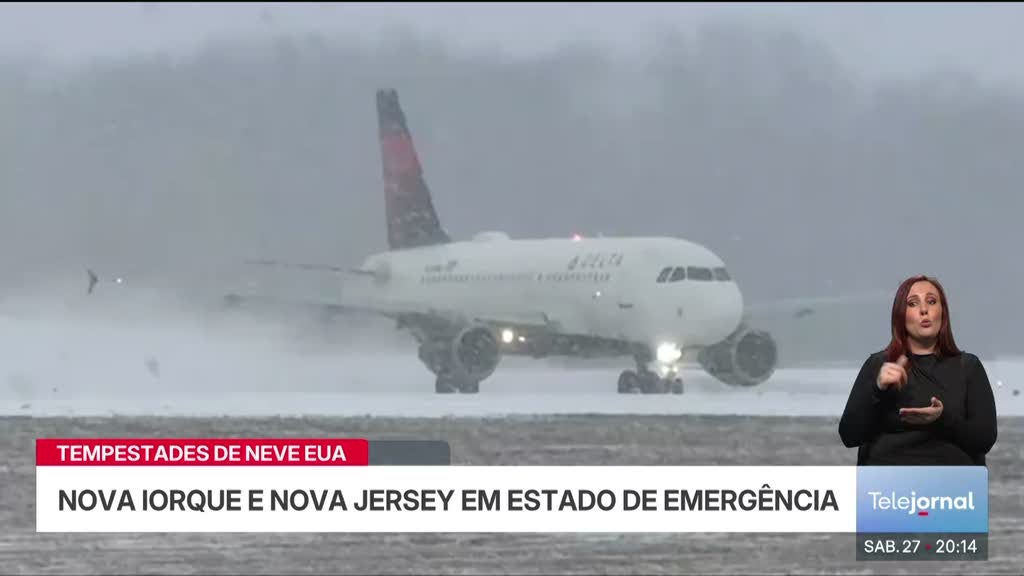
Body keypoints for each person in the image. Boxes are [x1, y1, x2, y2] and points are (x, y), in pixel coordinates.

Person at [838, 275, 997, 465]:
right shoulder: (879, 365)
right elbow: (849, 436)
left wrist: (941, 418)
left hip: (954, 487)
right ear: (900, 315)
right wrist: (878, 390)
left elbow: (984, 440)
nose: (924, 310)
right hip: (887, 488)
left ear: (943, 312)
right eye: (913, 304)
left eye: (931, 301)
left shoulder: (968, 367)